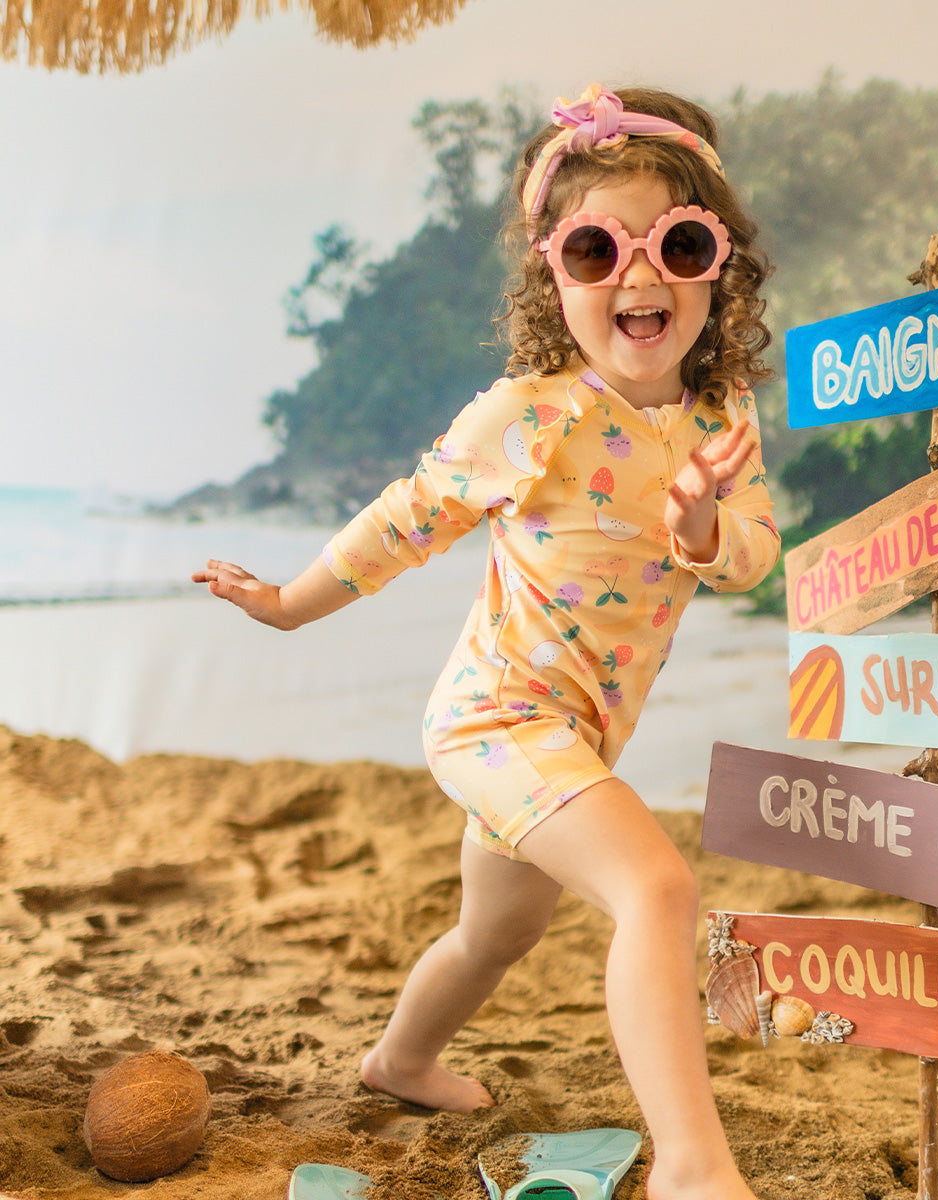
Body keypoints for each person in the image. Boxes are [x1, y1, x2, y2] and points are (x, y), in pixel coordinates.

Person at [194, 82, 779, 1200]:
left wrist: (704, 521)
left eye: (680, 244)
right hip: (496, 719)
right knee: (657, 891)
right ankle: (697, 1168)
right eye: (599, 249)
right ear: (553, 274)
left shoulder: (722, 420)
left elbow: (754, 552)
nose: (641, 278)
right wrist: (284, 604)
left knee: (495, 933)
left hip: (578, 736)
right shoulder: (528, 413)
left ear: (721, 267)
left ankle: (401, 1058)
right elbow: (404, 522)